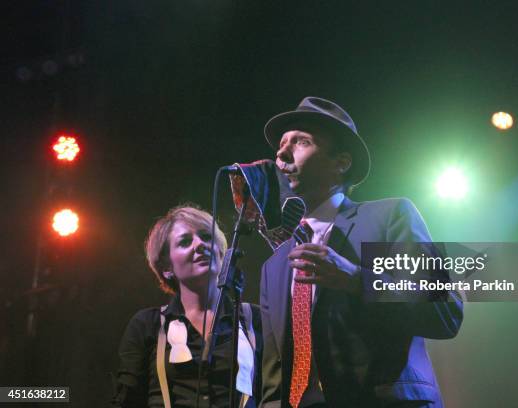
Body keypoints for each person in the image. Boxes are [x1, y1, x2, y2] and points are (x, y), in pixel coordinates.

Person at [258, 97, 463, 408]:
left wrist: (357, 279)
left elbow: (446, 313)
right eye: (282, 144)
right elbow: (274, 376)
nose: (282, 153)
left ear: (341, 162)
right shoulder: (274, 265)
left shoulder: (387, 218)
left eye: (300, 141)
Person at [112, 205, 262, 408]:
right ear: (166, 268)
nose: (200, 244)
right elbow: (126, 401)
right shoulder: (148, 324)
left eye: (206, 237)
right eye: (185, 242)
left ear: (220, 250)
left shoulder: (254, 318)